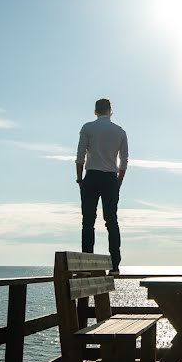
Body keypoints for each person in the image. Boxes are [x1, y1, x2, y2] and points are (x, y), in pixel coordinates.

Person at [75, 98, 128, 274]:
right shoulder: (120, 131)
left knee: (88, 221)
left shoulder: (88, 128)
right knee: (111, 221)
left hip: (91, 176)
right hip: (111, 178)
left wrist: (79, 178)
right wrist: (118, 182)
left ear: (95, 111)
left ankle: (86, 265)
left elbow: (80, 155)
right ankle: (114, 266)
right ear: (110, 110)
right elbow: (124, 161)